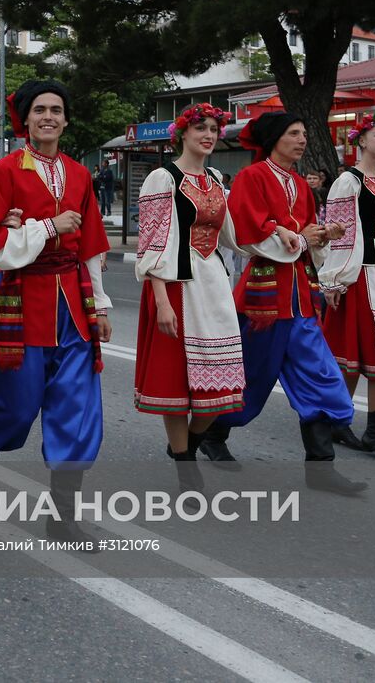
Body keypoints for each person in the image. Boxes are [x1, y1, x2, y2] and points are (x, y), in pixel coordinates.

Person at [0, 79, 112, 539]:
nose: (48, 116)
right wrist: (48, 226)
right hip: (24, 303)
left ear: (66, 119)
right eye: (40, 109)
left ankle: (63, 517)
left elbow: (91, 249)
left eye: (57, 110)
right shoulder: (5, 172)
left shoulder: (80, 175)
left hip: (74, 306)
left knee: (78, 412)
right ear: (24, 119)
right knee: (15, 405)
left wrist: (100, 305)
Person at [199, 111, 365, 494]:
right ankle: (208, 434)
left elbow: (303, 237)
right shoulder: (252, 178)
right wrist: (304, 237)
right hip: (264, 299)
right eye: (294, 133)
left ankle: (322, 469)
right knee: (251, 377)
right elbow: (248, 234)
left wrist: (322, 235)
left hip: (300, 298)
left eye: (305, 133)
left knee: (321, 376)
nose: (303, 139)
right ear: (275, 138)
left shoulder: (300, 185)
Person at [134, 104, 245, 494]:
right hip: (176, 288)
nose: (209, 134)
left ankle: (189, 444)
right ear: (182, 133)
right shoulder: (162, 178)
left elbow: (233, 235)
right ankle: (185, 465)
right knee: (178, 384)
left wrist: (291, 236)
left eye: (214, 128)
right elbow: (150, 243)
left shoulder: (215, 178)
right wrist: (161, 301)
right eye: (200, 127)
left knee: (218, 391)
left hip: (213, 284)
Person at [318, 114, 375, 462]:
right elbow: (341, 235)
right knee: (354, 355)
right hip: (357, 275)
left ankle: (373, 428)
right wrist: (335, 278)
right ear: (361, 141)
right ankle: (344, 421)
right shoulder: (348, 181)